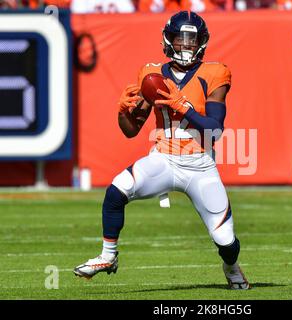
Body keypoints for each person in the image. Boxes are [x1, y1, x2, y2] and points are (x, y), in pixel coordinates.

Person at [73, 11, 250, 290]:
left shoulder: (214, 73)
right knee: (116, 191)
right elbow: (131, 130)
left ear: (202, 43)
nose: (186, 46)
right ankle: (108, 257)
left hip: (200, 164)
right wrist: (121, 111)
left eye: (192, 40)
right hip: (164, 159)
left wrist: (184, 107)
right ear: (169, 41)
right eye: (181, 39)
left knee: (226, 242)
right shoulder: (152, 74)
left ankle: (230, 266)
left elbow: (215, 129)